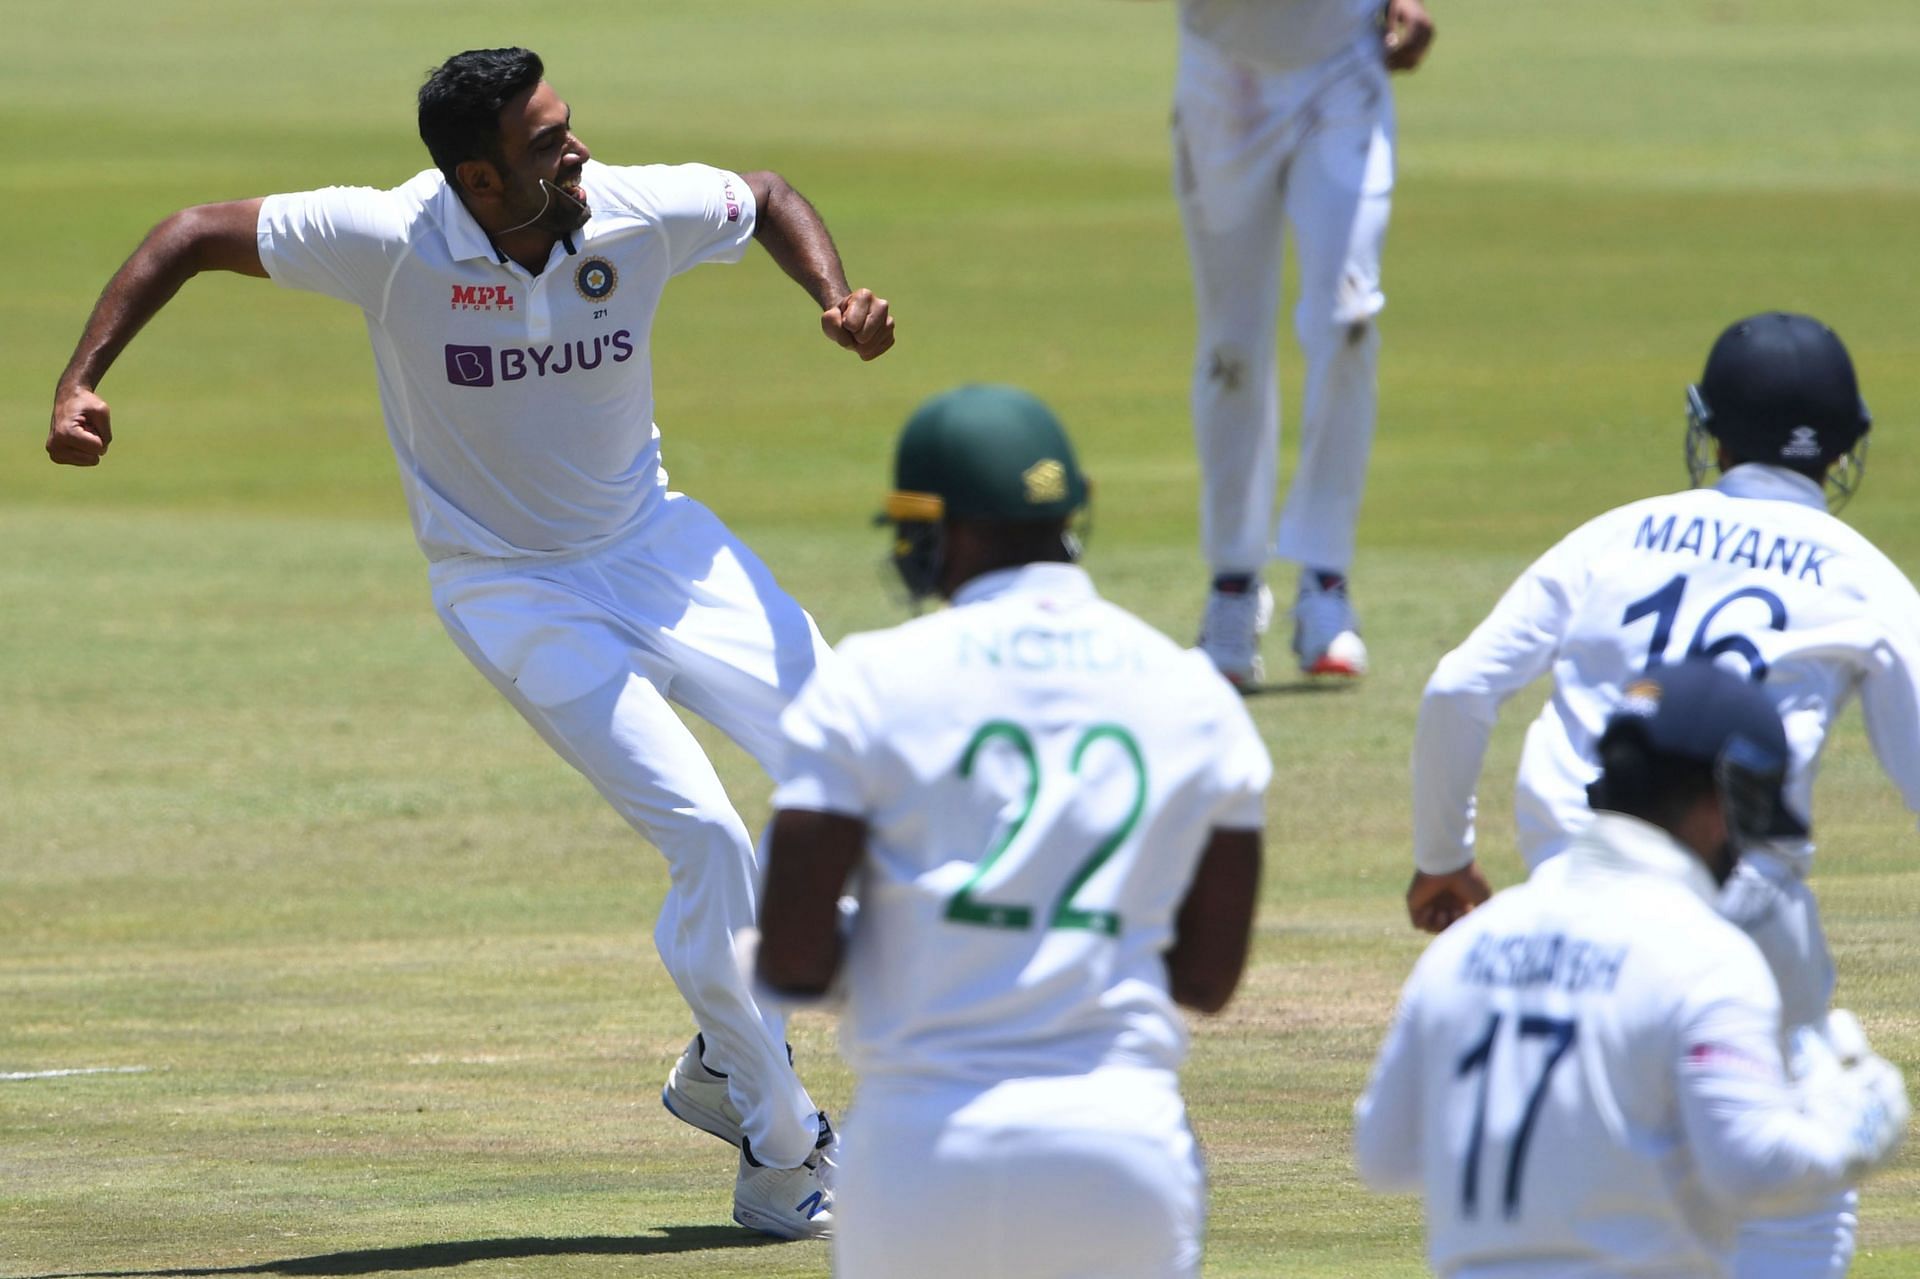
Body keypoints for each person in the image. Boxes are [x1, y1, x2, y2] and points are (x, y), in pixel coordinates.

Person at [44, 46, 897, 1240]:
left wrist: (832, 298)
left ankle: (722, 1052)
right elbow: (188, 232)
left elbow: (764, 195)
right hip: (512, 588)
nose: (578, 151)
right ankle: (780, 1145)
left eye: (568, 126)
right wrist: (79, 384)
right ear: (478, 183)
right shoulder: (391, 238)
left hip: (660, 548)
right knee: (707, 835)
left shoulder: (633, 209)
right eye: (546, 144)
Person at [1406, 312, 1920, 1276]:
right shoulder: (1870, 582)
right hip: (1745, 913)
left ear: (1714, 433)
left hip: (1570, 900)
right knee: (1790, 1176)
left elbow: (1457, 687)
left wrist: (1444, 857)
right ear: (1842, 450)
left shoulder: (1616, 534)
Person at [748, 384, 1271, 1278]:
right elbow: (1209, 979)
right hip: (1120, 1148)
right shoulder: (1193, 693)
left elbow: (793, 958)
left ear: (946, 529)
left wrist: (916, 951)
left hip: (922, 1148)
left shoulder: (874, 678)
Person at [1359, 661, 1910, 1278]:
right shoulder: (1705, 956)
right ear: (1726, 798)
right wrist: (1857, 1119)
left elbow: (1383, 1153)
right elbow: (1754, 1165)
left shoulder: (1465, 948)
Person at [1176, 0, 1436, 687]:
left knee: (1349, 318)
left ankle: (1326, 579)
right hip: (1222, 72)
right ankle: (1233, 583)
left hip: (1340, 66)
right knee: (1231, 348)